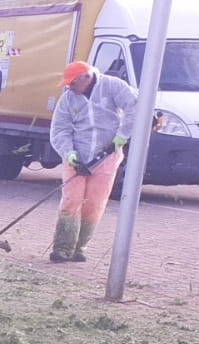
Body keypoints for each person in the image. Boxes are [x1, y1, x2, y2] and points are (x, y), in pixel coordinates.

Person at [48, 60, 138, 263]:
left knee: (94, 202)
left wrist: (123, 135)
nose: (70, 86)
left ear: (86, 77)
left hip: (107, 156)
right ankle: (62, 247)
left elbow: (134, 107)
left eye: (73, 82)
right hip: (77, 157)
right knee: (71, 200)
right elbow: (59, 129)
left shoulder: (113, 86)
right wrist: (69, 153)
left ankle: (80, 248)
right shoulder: (68, 99)